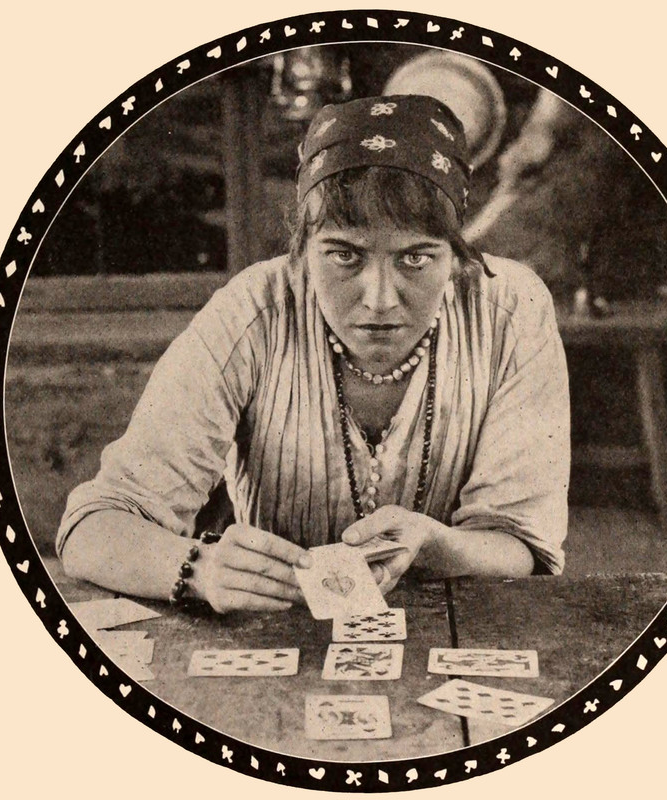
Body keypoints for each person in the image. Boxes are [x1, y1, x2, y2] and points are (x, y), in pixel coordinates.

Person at [58, 94, 570, 614]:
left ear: (458, 254)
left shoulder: (510, 312)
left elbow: (522, 544)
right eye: (345, 255)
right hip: (270, 631)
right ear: (301, 248)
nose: (379, 299)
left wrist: (435, 545)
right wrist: (199, 569)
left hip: (448, 630)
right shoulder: (252, 313)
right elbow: (91, 528)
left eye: (415, 257)